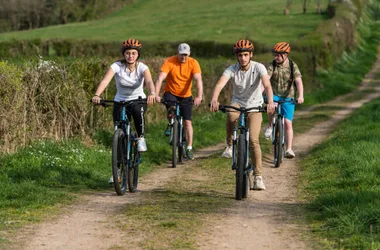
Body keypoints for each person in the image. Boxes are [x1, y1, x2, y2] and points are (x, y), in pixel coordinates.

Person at [210, 39, 275, 190]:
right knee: (231, 114)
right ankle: (229, 145)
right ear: (237, 57)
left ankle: (258, 176)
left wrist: (270, 102)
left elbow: (267, 85)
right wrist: (214, 99)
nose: (243, 58)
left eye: (246, 55)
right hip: (238, 103)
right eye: (240, 55)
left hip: (255, 105)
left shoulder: (259, 68)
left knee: (253, 140)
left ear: (251, 55)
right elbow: (220, 84)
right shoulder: (232, 69)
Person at [92, 38, 156, 151]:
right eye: (127, 53)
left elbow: (150, 81)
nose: (130, 56)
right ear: (124, 54)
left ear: (138, 55)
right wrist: (97, 95)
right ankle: (120, 153)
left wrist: (152, 93)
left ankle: (141, 138)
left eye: (133, 53)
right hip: (120, 100)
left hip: (138, 100)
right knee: (119, 126)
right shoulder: (117, 66)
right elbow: (105, 81)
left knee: (137, 111)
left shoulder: (142, 67)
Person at [155, 43, 203, 160]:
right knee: (170, 107)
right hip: (171, 92)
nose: (183, 57)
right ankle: (171, 123)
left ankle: (189, 148)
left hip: (186, 95)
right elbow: (160, 78)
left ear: (189, 54)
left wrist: (199, 96)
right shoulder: (170, 61)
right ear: (178, 53)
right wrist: (155, 94)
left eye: (186, 55)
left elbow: (198, 80)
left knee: (187, 122)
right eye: (181, 55)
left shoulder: (193, 63)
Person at [263, 42, 304, 159]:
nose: (275, 57)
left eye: (278, 55)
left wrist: (300, 96)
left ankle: (289, 149)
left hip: (288, 97)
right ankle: (270, 126)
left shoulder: (292, 66)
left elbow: (298, 82)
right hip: (274, 95)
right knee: (271, 108)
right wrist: (259, 93)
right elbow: (266, 81)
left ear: (285, 55)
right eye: (275, 55)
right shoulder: (272, 65)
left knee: (288, 123)